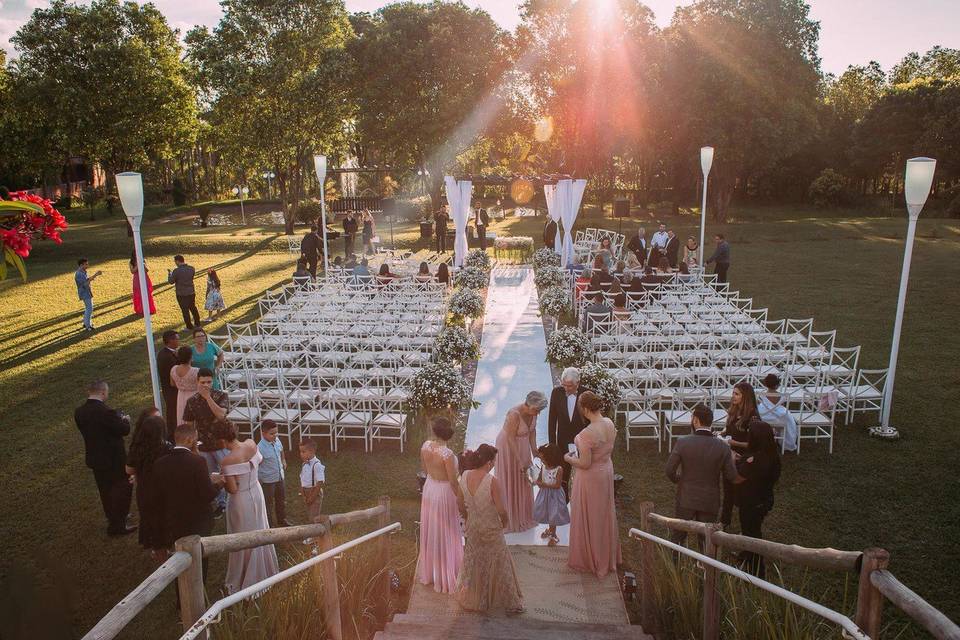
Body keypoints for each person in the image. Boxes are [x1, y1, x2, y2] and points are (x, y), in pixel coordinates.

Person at [456, 444, 524, 615]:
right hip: (491, 528)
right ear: (488, 462)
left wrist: (467, 517)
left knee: (475, 561)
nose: (494, 464)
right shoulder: (492, 481)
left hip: (473, 527)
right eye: (493, 461)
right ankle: (510, 602)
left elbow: (459, 503)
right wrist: (505, 522)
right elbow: (501, 510)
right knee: (500, 562)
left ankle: (473, 596)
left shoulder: (464, 475)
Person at [216, 419, 280, 594]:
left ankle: (245, 576)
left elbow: (233, 488)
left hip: (241, 500)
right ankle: (265, 569)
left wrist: (221, 481)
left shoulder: (227, 461)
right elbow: (257, 462)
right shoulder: (251, 444)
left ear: (222, 440)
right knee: (259, 528)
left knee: (242, 536)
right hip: (256, 491)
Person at [665, 404, 737, 549]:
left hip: (686, 496)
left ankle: (674, 564)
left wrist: (679, 480)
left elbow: (669, 470)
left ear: (696, 420)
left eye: (692, 417)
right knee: (706, 539)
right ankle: (705, 568)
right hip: (710, 499)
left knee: (679, 535)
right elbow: (731, 476)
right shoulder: (723, 447)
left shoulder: (683, 442)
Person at [565, 391, 621, 578]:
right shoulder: (609, 423)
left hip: (589, 478)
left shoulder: (585, 435)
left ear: (586, 409)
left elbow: (585, 463)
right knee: (603, 514)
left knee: (588, 514)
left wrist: (568, 458)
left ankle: (591, 559)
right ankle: (605, 555)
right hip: (606, 472)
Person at [75, 380, 136, 536]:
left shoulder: (80, 412)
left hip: (95, 458)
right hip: (114, 458)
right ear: (102, 392)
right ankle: (120, 523)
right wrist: (125, 421)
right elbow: (123, 430)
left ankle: (112, 517)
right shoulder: (106, 412)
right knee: (122, 488)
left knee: (105, 490)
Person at [152, 423, 222, 557]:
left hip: (173, 519)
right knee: (199, 559)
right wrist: (219, 484)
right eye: (196, 438)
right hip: (197, 520)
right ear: (190, 440)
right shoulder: (198, 462)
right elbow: (208, 495)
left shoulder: (160, 463)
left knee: (178, 556)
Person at [417, 417, 463, 594]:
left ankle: (432, 572)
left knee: (432, 529)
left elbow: (425, 469)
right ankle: (447, 572)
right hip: (444, 492)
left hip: (430, 488)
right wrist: (461, 497)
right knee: (447, 530)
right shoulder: (448, 454)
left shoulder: (425, 446)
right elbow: (453, 481)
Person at [733, 421, 782, 578]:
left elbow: (738, 478)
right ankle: (746, 556)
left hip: (751, 502)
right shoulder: (772, 455)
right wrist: (744, 460)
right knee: (754, 530)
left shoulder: (756, 460)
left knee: (751, 533)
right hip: (764, 498)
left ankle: (755, 571)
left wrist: (734, 461)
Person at [494, 391, 547, 533]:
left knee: (525, 480)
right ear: (528, 404)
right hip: (507, 448)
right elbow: (510, 438)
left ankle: (523, 516)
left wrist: (534, 450)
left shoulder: (533, 414)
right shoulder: (514, 414)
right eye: (536, 410)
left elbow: (532, 431)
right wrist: (519, 461)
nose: (537, 414)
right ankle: (510, 519)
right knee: (511, 479)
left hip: (522, 447)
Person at [182, 367, 230, 514]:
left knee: (227, 472)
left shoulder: (221, 396)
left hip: (221, 443)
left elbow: (222, 415)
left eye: (209, 382)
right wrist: (192, 445)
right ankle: (220, 503)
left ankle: (230, 500)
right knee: (210, 475)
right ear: (197, 382)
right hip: (203, 446)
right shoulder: (191, 401)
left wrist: (208, 397)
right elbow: (188, 425)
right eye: (203, 382)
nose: (206, 385)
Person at [125, 410, 172, 557]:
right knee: (166, 520)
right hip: (164, 491)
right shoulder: (166, 448)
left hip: (145, 491)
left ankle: (159, 555)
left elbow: (129, 469)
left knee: (152, 521)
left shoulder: (137, 448)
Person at [721, 381, 760, 527]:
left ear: (746, 396)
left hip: (744, 460)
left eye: (737, 394)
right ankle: (724, 522)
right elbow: (729, 430)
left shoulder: (753, 417)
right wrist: (722, 433)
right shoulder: (733, 411)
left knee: (742, 495)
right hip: (729, 456)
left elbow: (754, 444)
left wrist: (734, 443)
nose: (733, 397)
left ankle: (746, 527)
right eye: (733, 393)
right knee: (727, 492)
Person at [547, 367, 586, 499]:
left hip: (582, 441)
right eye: (564, 385)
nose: (566, 389)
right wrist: (552, 445)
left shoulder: (586, 393)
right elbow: (552, 420)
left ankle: (580, 499)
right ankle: (564, 501)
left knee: (581, 472)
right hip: (562, 441)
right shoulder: (556, 393)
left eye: (570, 386)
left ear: (578, 383)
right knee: (563, 473)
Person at [533, 443, 570, 546]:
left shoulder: (559, 469)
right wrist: (535, 481)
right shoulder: (543, 467)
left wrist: (544, 484)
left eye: (543, 459)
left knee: (553, 514)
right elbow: (539, 481)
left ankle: (553, 534)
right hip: (545, 495)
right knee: (547, 513)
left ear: (550, 458)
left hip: (555, 496)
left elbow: (557, 485)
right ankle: (550, 530)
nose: (542, 461)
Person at [257, 420, 290, 527]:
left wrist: (283, 460)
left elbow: (281, 451)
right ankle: (269, 525)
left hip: (280, 476)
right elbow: (257, 464)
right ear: (263, 433)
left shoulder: (277, 441)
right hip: (268, 480)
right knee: (268, 503)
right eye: (272, 434)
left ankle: (282, 520)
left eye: (276, 433)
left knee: (281, 500)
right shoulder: (259, 448)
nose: (275, 435)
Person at [758, 373, 798, 452]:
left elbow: (760, 404)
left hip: (764, 418)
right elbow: (780, 406)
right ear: (777, 385)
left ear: (766, 384)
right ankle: (786, 442)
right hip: (779, 419)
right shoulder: (782, 395)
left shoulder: (761, 395)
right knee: (789, 419)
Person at [156, 331, 180, 439]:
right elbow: (175, 372)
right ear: (170, 341)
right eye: (177, 339)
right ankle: (172, 435)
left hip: (170, 389)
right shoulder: (166, 356)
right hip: (171, 390)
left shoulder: (167, 353)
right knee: (173, 413)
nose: (178, 341)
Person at [168, 255, 202, 330]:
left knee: (185, 310)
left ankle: (189, 326)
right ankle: (198, 323)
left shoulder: (176, 271)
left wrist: (169, 274)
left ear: (177, 261)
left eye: (175, 261)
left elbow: (171, 281)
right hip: (191, 292)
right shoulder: (191, 269)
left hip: (181, 293)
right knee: (193, 308)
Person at [169, 347, 198, 430]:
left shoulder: (173, 369)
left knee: (182, 417)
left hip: (180, 395)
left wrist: (182, 386)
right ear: (191, 357)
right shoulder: (196, 371)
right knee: (193, 420)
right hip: (194, 396)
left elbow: (172, 383)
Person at [299, 439, 326, 523]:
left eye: (303, 452)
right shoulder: (304, 464)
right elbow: (302, 479)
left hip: (314, 492)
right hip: (306, 492)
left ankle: (316, 533)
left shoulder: (317, 465)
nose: (301, 454)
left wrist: (312, 496)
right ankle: (312, 532)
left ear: (312, 451)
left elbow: (320, 482)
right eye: (300, 452)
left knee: (314, 517)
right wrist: (303, 493)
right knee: (309, 513)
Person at [75, 258, 102, 331]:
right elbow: (85, 284)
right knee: (89, 309)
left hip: (87, 292)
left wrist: (94, 276)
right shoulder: (79, 274)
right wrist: (95, 275)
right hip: (84, 293)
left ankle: (85, 323)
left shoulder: (83, 272)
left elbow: (87, 280)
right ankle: (88, 325)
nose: (88, 265)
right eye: (86, 264)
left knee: (88, 308)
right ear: (81, 265)